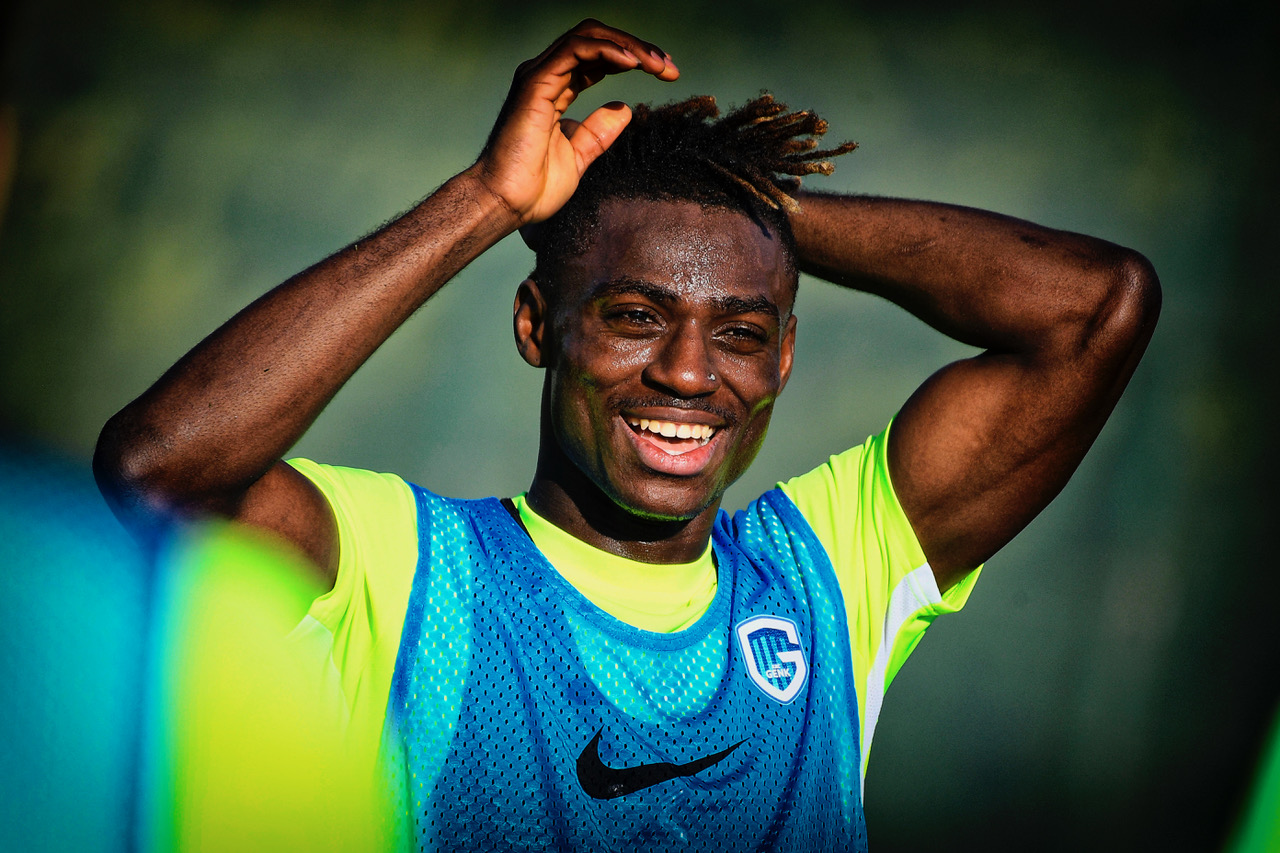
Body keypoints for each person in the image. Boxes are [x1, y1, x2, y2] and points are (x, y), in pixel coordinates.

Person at [93, 19, 1160, 852]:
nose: (688, 372)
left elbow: (1095, 308)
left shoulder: (831, 575)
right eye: (636, 317)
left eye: (740, 332)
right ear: (537, 326)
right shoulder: (409, 566)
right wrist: (488, 199)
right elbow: (161, 471)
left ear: (784, 357)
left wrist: (745, 203)